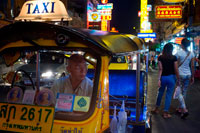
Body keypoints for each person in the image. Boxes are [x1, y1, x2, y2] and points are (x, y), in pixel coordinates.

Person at [153, 43, 179, 118]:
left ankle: (156, 109)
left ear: (164, 49)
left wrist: (158, 79)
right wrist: (178, 78)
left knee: (160, 93)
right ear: (171, 50)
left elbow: (160, 69)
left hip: (163, 78)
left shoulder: (160, 57)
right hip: (171, 78)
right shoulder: (174, 58)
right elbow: (176, 69)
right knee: (168, 95)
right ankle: (165, 113)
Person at [175, 38, 195, 119]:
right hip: (188, 74)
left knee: (178, 91)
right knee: (184, 91)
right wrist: (193, 76)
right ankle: (180, 108)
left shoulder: (178, 53)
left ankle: (184, 109)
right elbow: (192, 66)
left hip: (180, 74)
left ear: (182, 44)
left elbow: (175, 65)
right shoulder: (192, 53)